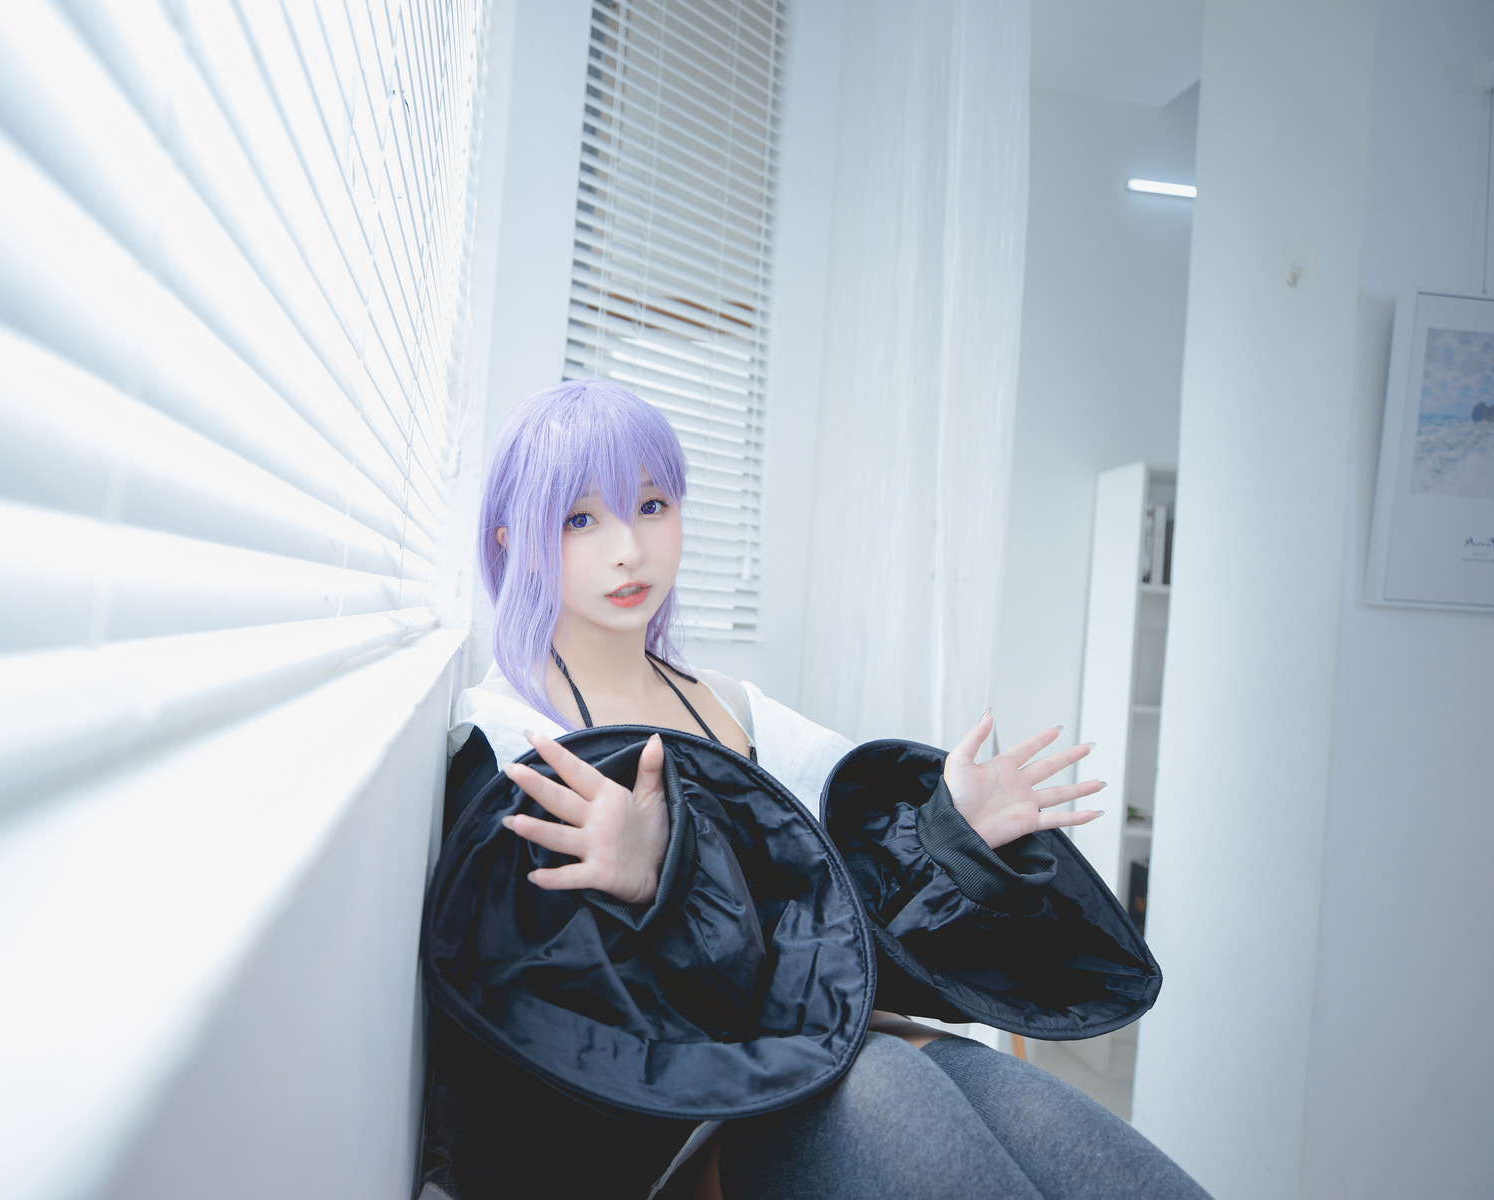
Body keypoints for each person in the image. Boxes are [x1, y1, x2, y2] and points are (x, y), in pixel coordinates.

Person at [427, 380, 1209, 1200]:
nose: (628, 548)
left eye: (652, 506)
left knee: (1024, 1108)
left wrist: (951, 835)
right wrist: (650, 887)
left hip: (805, 1058)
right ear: (516, 541)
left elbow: (842, 903)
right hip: (660, 1138)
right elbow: (561, 1035)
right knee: (887, 1085)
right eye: (579, 520)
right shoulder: (507, 744)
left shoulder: (731, 706)